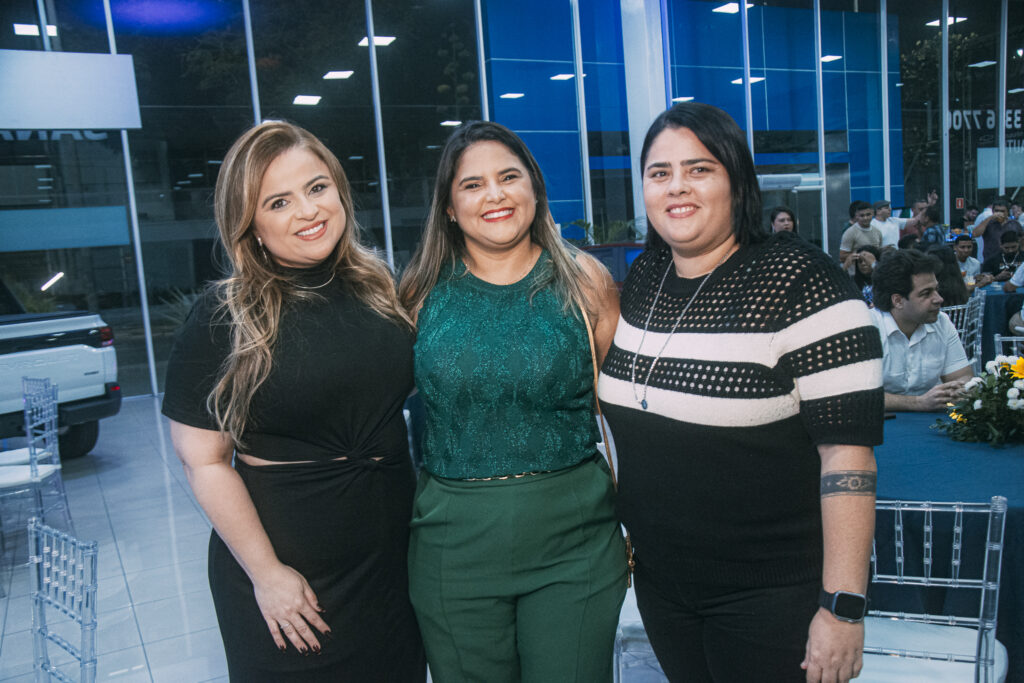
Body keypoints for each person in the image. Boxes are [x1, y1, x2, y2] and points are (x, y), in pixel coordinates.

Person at [598, 102, 883, 683]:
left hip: (770, 596)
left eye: (699, 169)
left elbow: (847, 457)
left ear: (738, 182)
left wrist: (842, 608)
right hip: (664, 587)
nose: (677, 187)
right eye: (659, 172)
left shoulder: (804, 281)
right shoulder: (648, 278)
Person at [161, 122, 425, 681]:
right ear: (250, 224)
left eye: (318, 187)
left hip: (392, 567)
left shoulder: (376, 285)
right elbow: (203, 459)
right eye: (279, 201)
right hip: (294, 582)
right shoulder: (225, 314)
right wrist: (267, 575)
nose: (308, 210)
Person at [399, 120, 626, 682]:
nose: (494, 194)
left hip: (574, 543)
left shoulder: (585, 282)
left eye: (508, 177)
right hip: (454, 545)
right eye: (471, 185)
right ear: (449, 207)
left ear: (534, 188)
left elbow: (619, 410)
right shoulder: (419, 293)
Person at [870, 249, 972, 412]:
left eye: (936, 289)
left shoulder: (942, 322)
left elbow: (963, 376)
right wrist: (917, 402)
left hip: (931, 424)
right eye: (926, 293)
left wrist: (959, 389)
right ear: (898, 301)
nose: (939, 299)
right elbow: (855, 395)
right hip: (877, 428)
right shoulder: (867, 328)